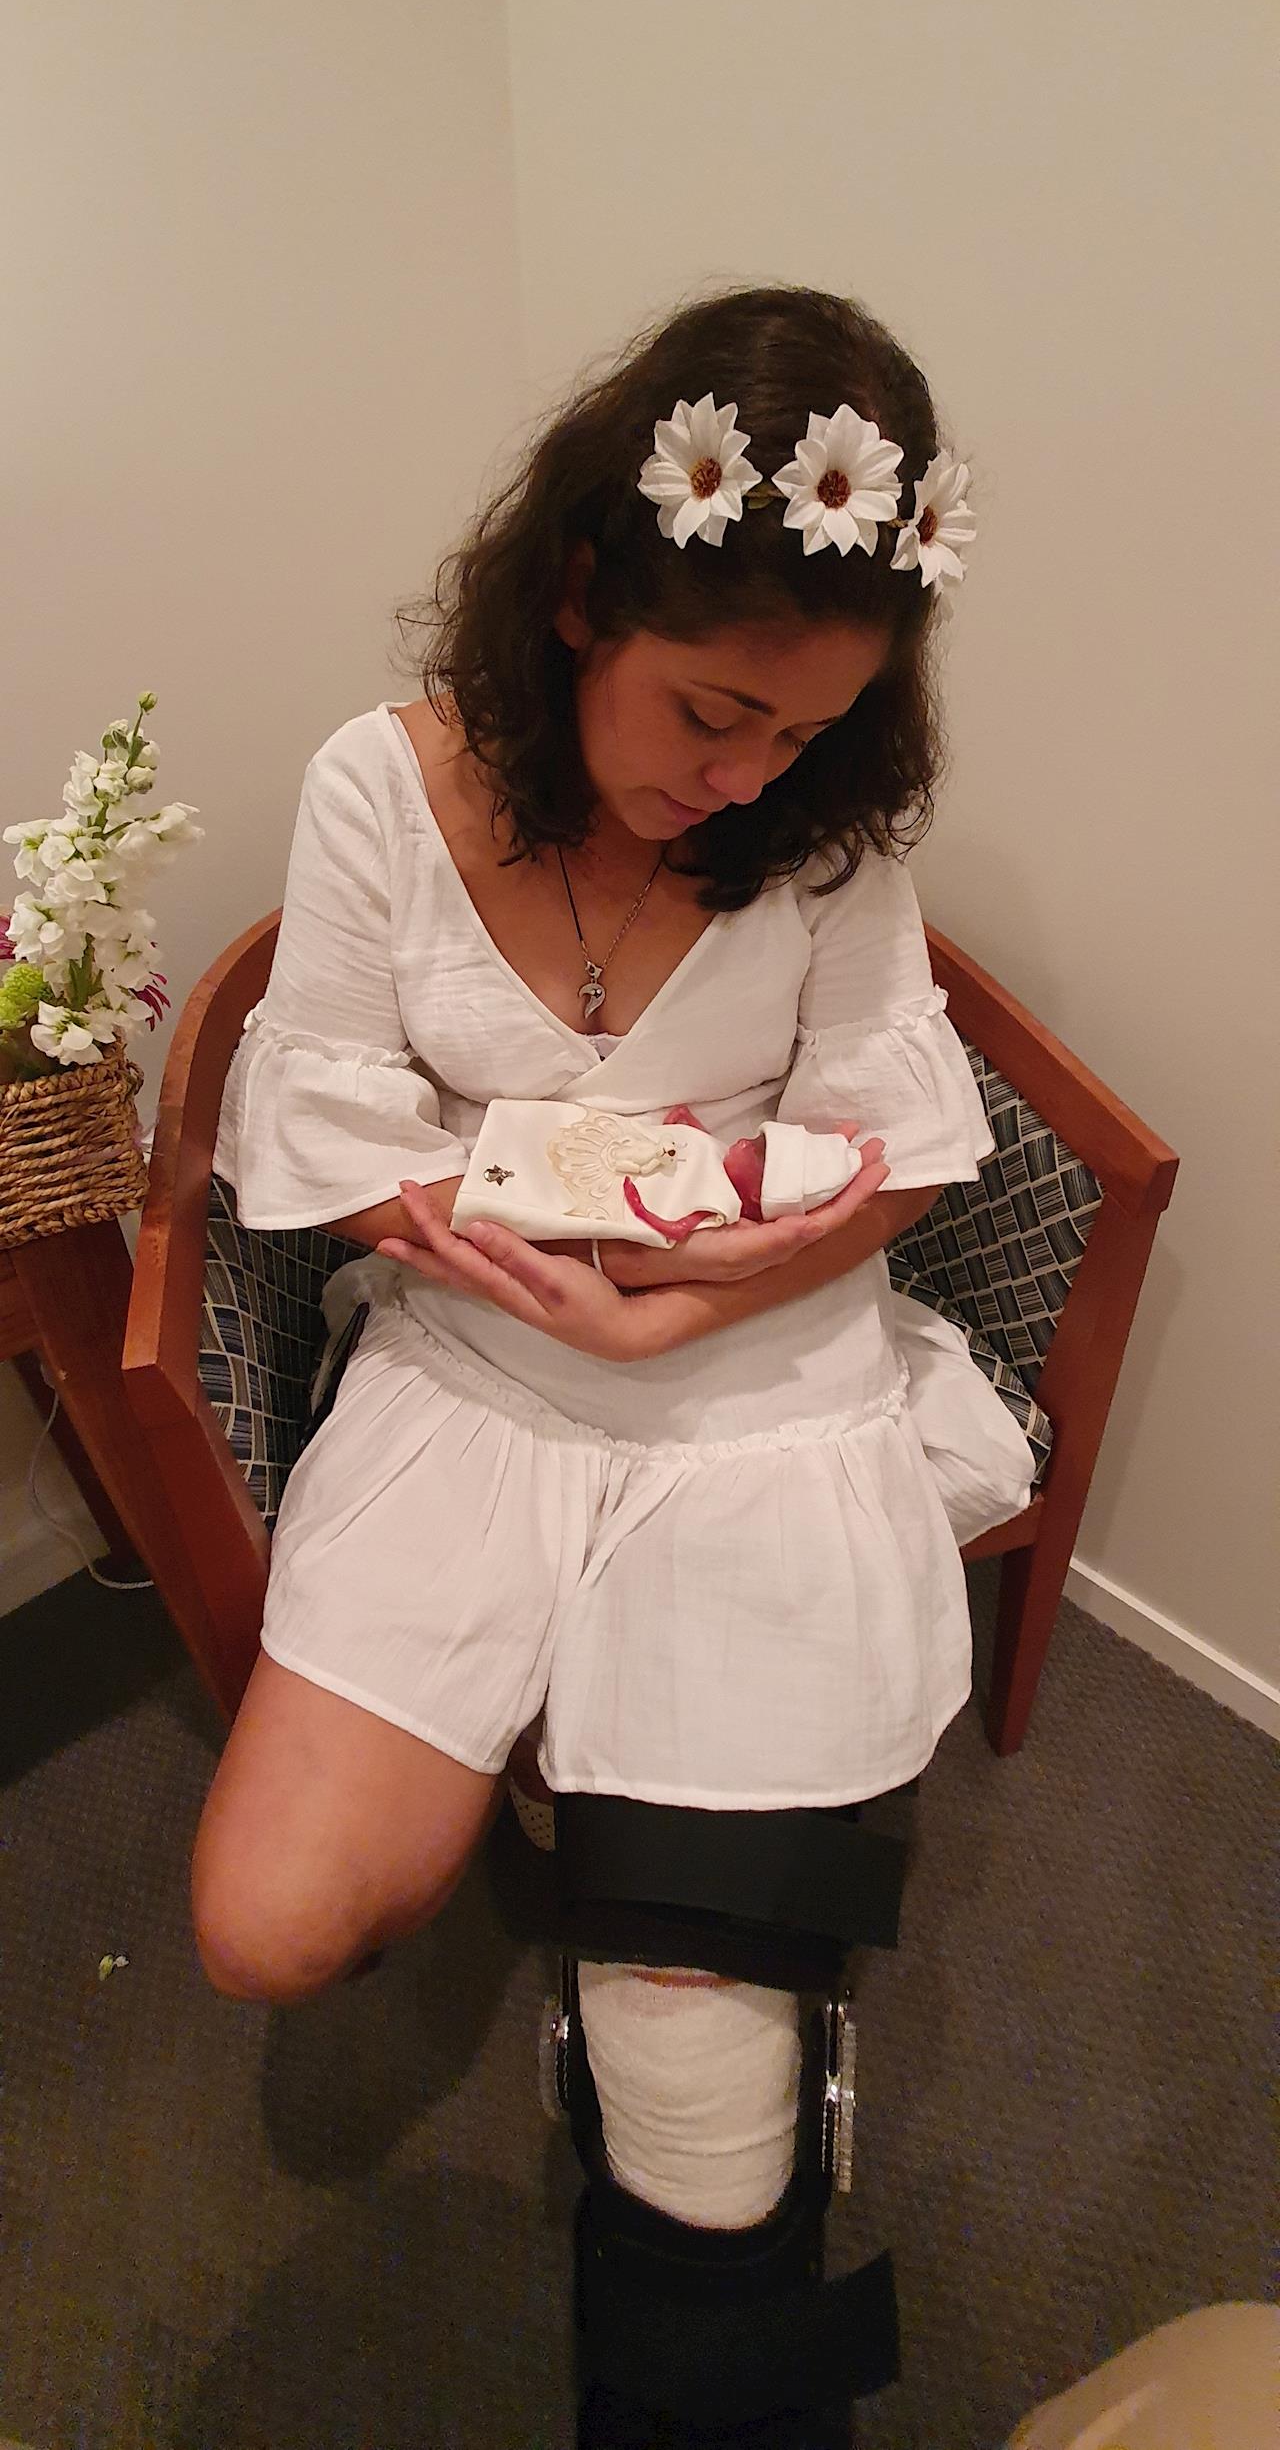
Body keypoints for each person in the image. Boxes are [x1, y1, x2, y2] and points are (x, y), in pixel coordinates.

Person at [200, 283, 1037, 2448]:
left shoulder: (826, 823)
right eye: (712, 710)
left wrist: (696, 1299)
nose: (744, 777)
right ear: (581, 591)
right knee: (268, 1929)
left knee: (704, 2084)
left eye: (801, 733)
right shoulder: (385, 783)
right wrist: (479, 1226)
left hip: (750, 1365)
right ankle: (580, 1766)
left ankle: (677, 1986)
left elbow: (897, 1144)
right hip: (483, 1353)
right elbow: (320, 1114)